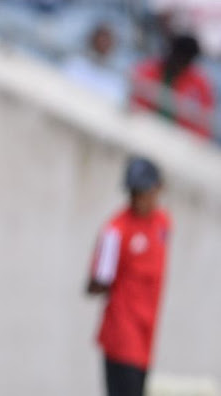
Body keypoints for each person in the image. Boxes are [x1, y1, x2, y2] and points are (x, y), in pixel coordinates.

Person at [87, 157, 171, 396]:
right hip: (122, 337)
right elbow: (96, 284)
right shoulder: (116, 230)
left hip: (146, 337)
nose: (139, 199)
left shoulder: (162, 225)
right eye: (135, 192)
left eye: (144, 191)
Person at [130, 34, 214, 138]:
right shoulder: (148, 69)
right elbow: (133, 103)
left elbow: (204, 125)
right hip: (142, 130)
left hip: (178, 141)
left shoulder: (200, 85)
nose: (179, 62)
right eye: (177, 56)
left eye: (185, 59)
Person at [62, 23, 128, 105]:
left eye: (108, 41)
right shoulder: (75, 64)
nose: (104, 43)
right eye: (101, 39)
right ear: (93, 39)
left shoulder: (115, 81)